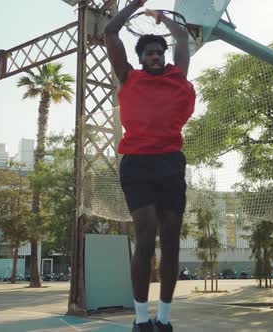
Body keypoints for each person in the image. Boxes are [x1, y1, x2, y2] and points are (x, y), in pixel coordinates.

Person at [104, 1, 194, 331]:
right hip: (138, 164)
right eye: (149, 54)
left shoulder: (177, 76)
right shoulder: (129, 78)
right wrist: (136, 6)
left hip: (170, 163)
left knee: (171, 241)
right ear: (141, 59)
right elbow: (110, 31)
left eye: (159, 53)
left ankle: (164, 319)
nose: (155, 57)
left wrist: (164, 17)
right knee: (145, 238)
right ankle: (141, 319)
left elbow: (182, 39)